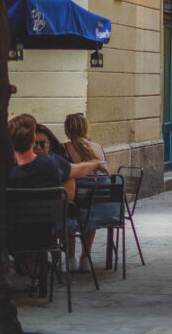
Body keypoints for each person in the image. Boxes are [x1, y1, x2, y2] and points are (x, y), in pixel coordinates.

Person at [8, 114, 107, 278]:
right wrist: (95, 163)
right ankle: (40, 265)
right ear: (31, 139)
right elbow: (75, 177)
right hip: (47, 232)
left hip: (15, 236)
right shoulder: (52, 162)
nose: (39, 147)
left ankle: (32, 265)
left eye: (42, 144)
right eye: (35, 143)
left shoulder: (7, 169)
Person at [63, 113, 113, 273]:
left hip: (78, 208)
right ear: (85, 128)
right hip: (103, 210)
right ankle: (86, 257)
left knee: (67, 211)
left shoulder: (65, 148)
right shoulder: (98, 148)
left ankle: (70, 258)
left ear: (67, 130)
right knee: (90, 206)